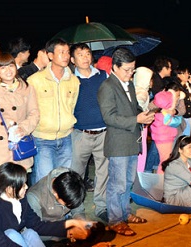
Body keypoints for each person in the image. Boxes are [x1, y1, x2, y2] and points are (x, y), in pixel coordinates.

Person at [97, 47, 154, 236]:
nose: (130, 74)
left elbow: (133, 108)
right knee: (117, 184)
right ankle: (115, 220)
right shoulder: (107, 87)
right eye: (127, 70)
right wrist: (136, 120)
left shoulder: (128, 84)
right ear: (115, 67)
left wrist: (143, 114)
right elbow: (109, 117)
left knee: (128, 181)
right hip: (118, 143)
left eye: (133, 70)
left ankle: (125, 213)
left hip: (131, 140)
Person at [0, 162, 93, 246]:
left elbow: (37, 225)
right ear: (9, 189)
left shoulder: (21, 200)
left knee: (30, 233)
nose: (27, 187)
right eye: (23, 185)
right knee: (12, 234)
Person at [27, 38, 80, 185]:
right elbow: (30, 109)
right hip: (43, 139)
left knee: (64, 182)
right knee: (44, 181)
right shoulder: (35, 80)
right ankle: (43, 209)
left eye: (67, 52)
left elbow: (72, 106)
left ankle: (61, 209)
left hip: (66, 138)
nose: (66, 56)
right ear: (50, 55)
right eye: (61, 52)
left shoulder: (74, 81)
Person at [0, 53, 40, 174]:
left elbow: (34, 113)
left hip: (20, 143)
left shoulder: (27, 88)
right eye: (3, 67)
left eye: (11, 66)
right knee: (1, 186)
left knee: (19, 186)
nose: (8, 70)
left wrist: (23, 128)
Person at [69, 43, 109, 222]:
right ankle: (77, 209)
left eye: (87, 53)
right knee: (76, 174)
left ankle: (102, 207)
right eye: (80, 54)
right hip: (80, 134)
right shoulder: (69, 79)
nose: (85, 57)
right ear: (72, 59)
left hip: (103, 132)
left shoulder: (103, 76)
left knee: (103, 172)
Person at [150, 89, 183, 174]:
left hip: (162, 138)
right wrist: (176, 114)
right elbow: (176, 122)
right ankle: (161, 182)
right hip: (165, 138)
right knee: (165, 161)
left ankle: (162, 181)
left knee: (164, 160)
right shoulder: (165, 115)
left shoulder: (160, 113)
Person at [133, 66, 153, 172]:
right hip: (141, 126)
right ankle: (138, 176)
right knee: (141, 153)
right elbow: (138, 107)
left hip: (136, 125)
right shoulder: (142, 92)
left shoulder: (134, 88)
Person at [174, 67, 191, 136]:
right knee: (180, 136)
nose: (187, 75)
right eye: (184, 73)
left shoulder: (189, 84)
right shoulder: (176, 86)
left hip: (188, 114)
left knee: (187, 135)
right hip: (180, 116)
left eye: (188, 73)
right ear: (178, 75)